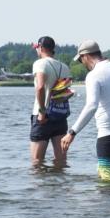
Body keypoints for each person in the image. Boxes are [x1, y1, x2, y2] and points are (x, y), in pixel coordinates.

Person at [60, 40, 110, 182]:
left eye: (80, 60)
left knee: (109, 184)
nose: (82, 63)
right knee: (107, 176)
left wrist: (72, 132)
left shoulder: (94, 75)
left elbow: (92, 105)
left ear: (86, 56)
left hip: (109, 136)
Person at [29, 36, 73, 167]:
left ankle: (42, 182)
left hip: (43, 116)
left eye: (37, 48)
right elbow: (66, 92)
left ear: (41, 48)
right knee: (61, 161)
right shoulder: (64, 67)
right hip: (60, 116)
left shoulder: (40, 64)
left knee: (37, 163)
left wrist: (42, 112)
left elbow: (40, 87)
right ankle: (58, 180)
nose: (36, 50)